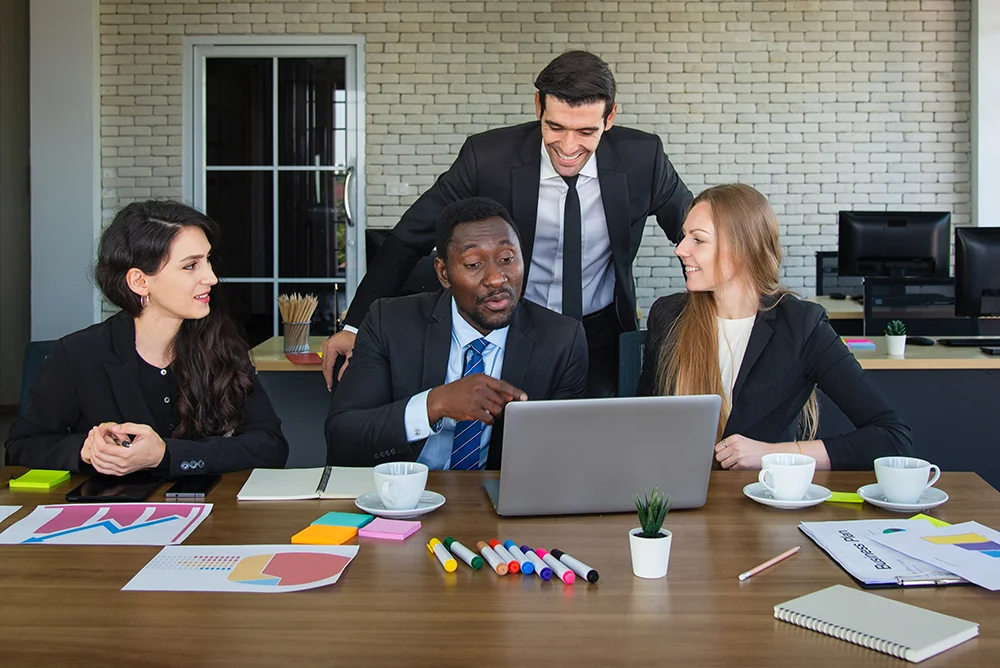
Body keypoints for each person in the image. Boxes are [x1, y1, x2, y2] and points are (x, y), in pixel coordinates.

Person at [323, 50, 692, 398]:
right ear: (538, 108)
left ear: (609, 118)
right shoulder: (486, 158)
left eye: (586, 132)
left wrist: (734, 313)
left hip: (600, 331)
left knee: (593, 447)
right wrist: (354, 326)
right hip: (511, 326)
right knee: (508, 443)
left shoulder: (643, 158)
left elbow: (696, 234)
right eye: (556, 127)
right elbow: (408, 238)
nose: (567, 146)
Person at [636, 184, 912, 471]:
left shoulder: (801, 324)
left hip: (766, 501)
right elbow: (642, 419)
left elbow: (892, 437)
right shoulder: (669, 315)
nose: (680, 249)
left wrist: (774, 455)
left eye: (698, 240)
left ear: (742, 249)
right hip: (680, 494)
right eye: (684, 237)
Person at [6, 201, 289, 476]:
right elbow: (21, 447)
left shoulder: (222, 343)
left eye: (208, 260)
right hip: (110, 515)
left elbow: (270, 447)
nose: (211, 278)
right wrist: (87, 450)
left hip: (214, 514)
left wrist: (167, 454)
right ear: (140, 281)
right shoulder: (77, 353)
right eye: (191, 266)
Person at [326, 197, 588, 469]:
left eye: (507, 259)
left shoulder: (562, 341)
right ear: (443, 273)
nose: (496, 278)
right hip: (404, 498)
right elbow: (343, 438)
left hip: (501, 500)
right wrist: (434, 404)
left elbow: (567, 458)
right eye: (473, 264)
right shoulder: (389, 322)